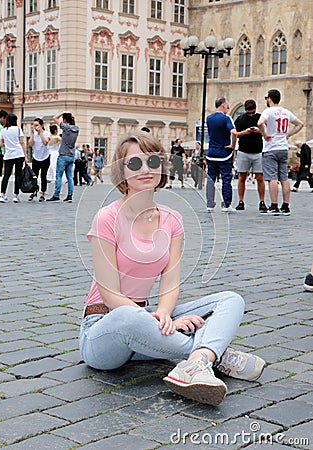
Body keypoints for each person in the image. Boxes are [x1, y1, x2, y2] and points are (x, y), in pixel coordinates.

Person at [79, 130, 265, 406]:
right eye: (134, 163)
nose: (145, 169)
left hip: (147, 319)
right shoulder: (107, 217)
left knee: (230, 300)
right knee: (131, 319)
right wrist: (165, 323)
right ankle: (214, 353)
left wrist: (165, 314)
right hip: (105, 328)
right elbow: (109, 295)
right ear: (122, 172)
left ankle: (196, 362)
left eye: (152, 161)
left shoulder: (172, 220)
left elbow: (170, 283)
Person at [257, 89, 303, 215]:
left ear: (269, 99)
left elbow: (260, 123)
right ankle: (286, 206)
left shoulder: (268, 111)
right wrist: (288, 134)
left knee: (272, 178)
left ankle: (274, 205)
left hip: (271, 148)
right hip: (283, 147)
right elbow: (300, 124)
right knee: (284, 178)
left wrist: (264, 134)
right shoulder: (286, 112)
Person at [234, 99, 268, 213]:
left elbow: (267, 132)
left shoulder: (260, 118)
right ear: (245, 110)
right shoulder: (240, 119)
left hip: (258, 151)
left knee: (260, 177)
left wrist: (259, 131)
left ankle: (262, 202)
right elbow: (236, 134)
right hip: (243, 151)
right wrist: (246, 132)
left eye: (253, 112)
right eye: (249, 113)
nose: (251, 115)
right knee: (242, 177)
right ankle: (241, 201)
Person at [206, 97, 237, 213]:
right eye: (227, 106)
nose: (227, 108)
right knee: (226, 178)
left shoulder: (209, 118)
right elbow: (233, 132)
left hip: (211, 152)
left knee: (210, 179)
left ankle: (210, 204)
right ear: (223, 105)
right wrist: (232, 145)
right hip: (224, 153)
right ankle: (226, 204)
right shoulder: (226, 118)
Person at [47, 112, 79, 203]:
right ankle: (69, 195)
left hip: (63, 155)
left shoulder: (66, 127)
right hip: (71, 155)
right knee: (70, 177)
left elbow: (54, 118)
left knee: (59, 176)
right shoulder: (76, 129)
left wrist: (62, 113)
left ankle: (56, 195)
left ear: (65, 120)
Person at [0, 114, 28, 203]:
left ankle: (2, 195)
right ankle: (15, 195)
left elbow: (0, 144)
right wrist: (25, 155)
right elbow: (22, 142)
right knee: (18, 175)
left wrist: (7, 144)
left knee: (6, 175)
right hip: (19, 154)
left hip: (8, 155)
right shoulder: (18, 129)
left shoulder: (3, 131)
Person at [28, 118, 51, 202]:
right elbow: (30, 144)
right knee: (34, 176)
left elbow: (45, 142)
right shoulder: (34, 135)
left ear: (41, 125)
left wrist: (40, 132)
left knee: (43, 176)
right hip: (36, 157)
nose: (35, 127)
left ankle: (43, 193)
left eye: (37, 125)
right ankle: (33, 192)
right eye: (34, 125)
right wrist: (32, 133)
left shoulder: (46, 133)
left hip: (45, 157)